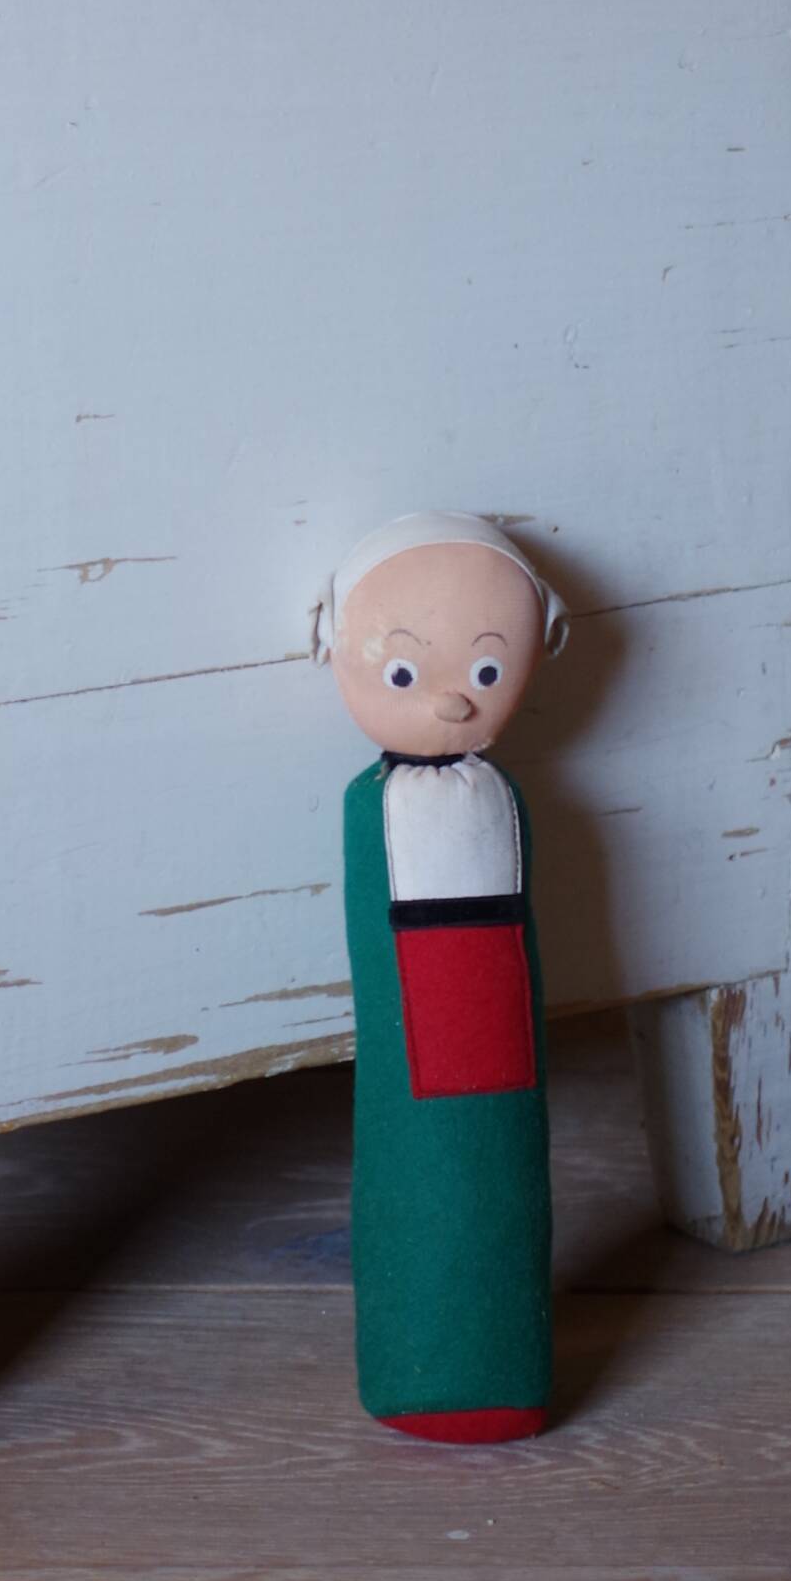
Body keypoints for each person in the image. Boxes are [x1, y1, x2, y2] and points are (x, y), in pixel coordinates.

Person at [320, 512, 566, 1441]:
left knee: (494, 1164)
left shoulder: (491, 800)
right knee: (421, 1162)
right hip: (421, 1055)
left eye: (486, 670)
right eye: (405, 673)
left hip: (492, 1044)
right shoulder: (377, 808)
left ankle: (493, 1369)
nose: (456, 704)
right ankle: (426, 1368)